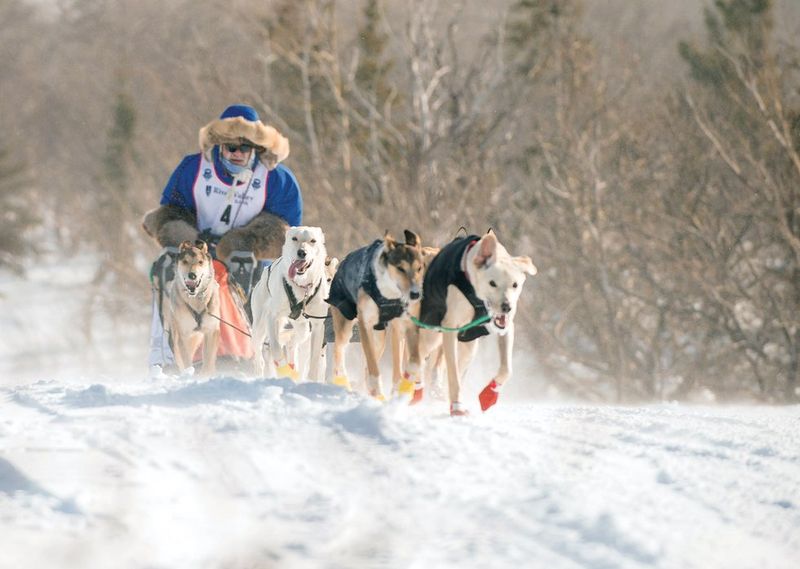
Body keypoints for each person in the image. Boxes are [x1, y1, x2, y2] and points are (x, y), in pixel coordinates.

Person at [142, 104, 302, 378]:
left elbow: (287, 227)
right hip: (199, 251)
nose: (236, 154)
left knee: (242, 269)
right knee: (166, 268)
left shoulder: (276, 178)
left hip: (246, 254)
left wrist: (251, 243)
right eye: (230, 148)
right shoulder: (194, 168)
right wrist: (181, 236)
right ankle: (169, 356)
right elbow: (172, 208)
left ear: (256, 149)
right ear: (219, 147)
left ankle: (244, 353)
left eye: (244, 148)